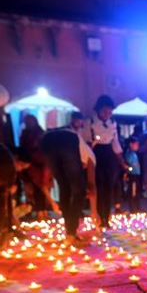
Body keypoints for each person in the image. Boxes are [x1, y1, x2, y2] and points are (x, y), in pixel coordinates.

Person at [41, 113, 99, 243]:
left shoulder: (75, 156)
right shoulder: (91, 157)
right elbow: (91, 186)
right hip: (67, 139)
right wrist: (94, 212)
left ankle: (70, 231)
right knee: (79, 190)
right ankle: (71, 232)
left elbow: (45, 179)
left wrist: (52, 202)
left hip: (46, 140)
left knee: (64, 186)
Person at [82, 95, 127, 228]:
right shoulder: (89, 122)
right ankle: (98, 217)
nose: (107, 113)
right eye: (104, 111)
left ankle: (106, 218)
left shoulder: (113, 123)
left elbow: (115, 143)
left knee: (108, 188)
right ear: (98, 110)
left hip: (109, 155)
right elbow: (86, 143)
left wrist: (122, 161)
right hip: (95, 154)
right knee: (98, 187)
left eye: (109, 111)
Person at [19, 114, 57, 219]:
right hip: (32, 163)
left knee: (45, 186)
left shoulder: (41, 133)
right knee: (37, 188)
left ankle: (45, 210)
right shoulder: (25, 134)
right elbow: (23, 148)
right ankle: (40, 211)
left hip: (43, 161)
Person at [125, 136, 142, 212]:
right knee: (133, 192)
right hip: (132, 175)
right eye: (136, 144)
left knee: (136, 191)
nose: (137, 146)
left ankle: (137, 207)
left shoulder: (134, 154)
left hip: (136, 174)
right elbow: (128, 164)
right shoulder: (129, 154)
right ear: (131, 144)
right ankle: (133, 208)